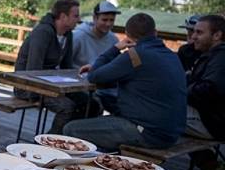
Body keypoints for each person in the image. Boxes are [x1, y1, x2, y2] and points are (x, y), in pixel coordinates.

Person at [64, 13, 187, 151]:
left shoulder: (135, 56)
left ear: (127, 35)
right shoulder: (171, 55)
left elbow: (94, 76)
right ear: (155, 32)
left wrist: (115, 48)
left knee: (71, 129)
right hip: (171, 133)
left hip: (148, 133)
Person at [14, 0, 93, 134]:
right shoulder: (43, 32)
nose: (78, 19)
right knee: (66, 107)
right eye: (75, 16)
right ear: (63, 16)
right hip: (28, 86)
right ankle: (48, 143)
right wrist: (40, 94)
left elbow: (66, 66)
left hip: (50, 85)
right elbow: (33, 69)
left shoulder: (67, 34)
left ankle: (70, 140)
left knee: (90, 103)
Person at [183, 15, 225, 170]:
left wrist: (180, 90)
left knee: (158, 114)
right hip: (213, 119)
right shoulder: (212, 55)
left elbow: (208, 90)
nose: (193, 36)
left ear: (217, 35)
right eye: (193, 32)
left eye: (199, 32)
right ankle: (211, 166)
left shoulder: (221, 58)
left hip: (216, 123)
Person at [72, 0, 121, 114]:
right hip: (79, 86)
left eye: (111, 20)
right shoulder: (78, 36)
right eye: (104, 20)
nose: (108, 24)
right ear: (94, 18)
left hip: (104, 87)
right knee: (92, 105)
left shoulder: (113, 40)